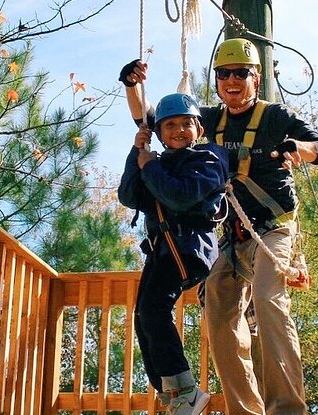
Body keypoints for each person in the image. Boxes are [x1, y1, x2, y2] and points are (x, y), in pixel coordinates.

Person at [119, 38, 318, 415]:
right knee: (219, 314)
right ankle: (243, 410)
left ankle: (286, 408)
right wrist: (132, 85)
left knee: (270, 302)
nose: (232, 80)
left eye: (241, 73)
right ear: (218, 80)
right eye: (224, 74)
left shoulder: (275, 118)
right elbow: (150, 119)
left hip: (273, 228)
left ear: (256, 78)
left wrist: (300, 150)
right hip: (232, 234)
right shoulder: (208, 121)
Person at [117, 92, 228, 415]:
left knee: (154, 311)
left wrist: (150, 166)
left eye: (186, 124)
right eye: (169, 126)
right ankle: (172, 391)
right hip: (165, 250)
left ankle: (185, 390)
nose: (178, 131)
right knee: (144, 317)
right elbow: (129, 195)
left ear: (200, 129)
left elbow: (180, 197)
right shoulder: (160, 163)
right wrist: (137, 151)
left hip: (189, 247)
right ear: (160, 134)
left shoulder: (209, 158)